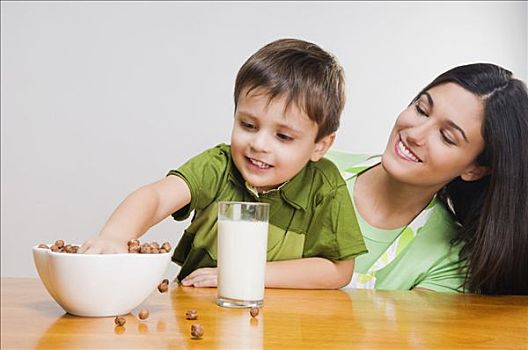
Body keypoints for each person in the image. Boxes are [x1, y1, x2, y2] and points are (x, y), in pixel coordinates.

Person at [79, 38, 367, 289]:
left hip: (286, 324)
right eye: (248, 125)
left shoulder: (325, 186)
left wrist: (243, 274)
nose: (259, 144)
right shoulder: (218, 165)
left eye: (283, 136)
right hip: (201, 314)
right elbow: (156, 197)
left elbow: (338, 271)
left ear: (320, 145)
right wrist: (115, 236)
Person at [327, 63, 528, 295]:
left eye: (446, 137)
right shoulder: (303, 169)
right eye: (421, 110)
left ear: (475, 170)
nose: (414, 134)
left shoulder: (449, 262)